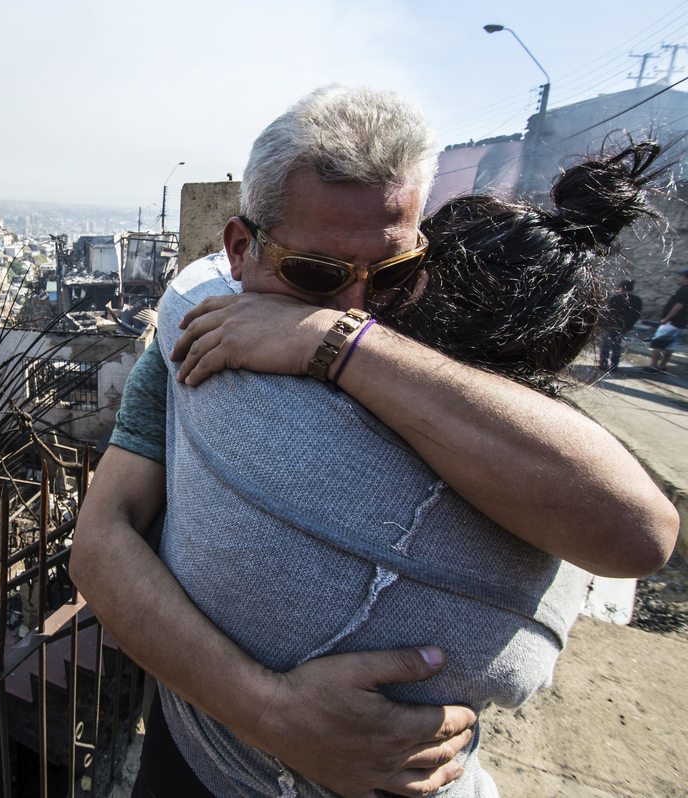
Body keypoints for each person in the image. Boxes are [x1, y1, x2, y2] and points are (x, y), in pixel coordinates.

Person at [70, 86, 679, 798]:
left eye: (390, 274)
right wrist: (270, 712)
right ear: (241, 248)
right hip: (194, 767)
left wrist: (336, 343)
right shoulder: (200, 337)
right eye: (316, 273)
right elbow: (101, 540)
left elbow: (637, 534)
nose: (356, 301)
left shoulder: (428, 360)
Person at [643, 270, 688, 373]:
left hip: (671, 322)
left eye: (681, 276)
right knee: (669, 345)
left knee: (657, 344)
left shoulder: (684, 291)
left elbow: (678, 306)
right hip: (678, 322)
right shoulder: (683, 290)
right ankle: (662, 366)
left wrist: (666, 319)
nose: (678, 278)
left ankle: (653, 366)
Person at [598, 280, 642, 371]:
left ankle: (603, 364)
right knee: (616, 345)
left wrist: (601, 323)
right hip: (624, 326)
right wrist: (629, 325)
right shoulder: (637, 300)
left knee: (606, 345)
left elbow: (608, 312)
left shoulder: (616, 298)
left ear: (621, 287)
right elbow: (637, 314)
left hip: (611, 325)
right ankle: (614, 365)